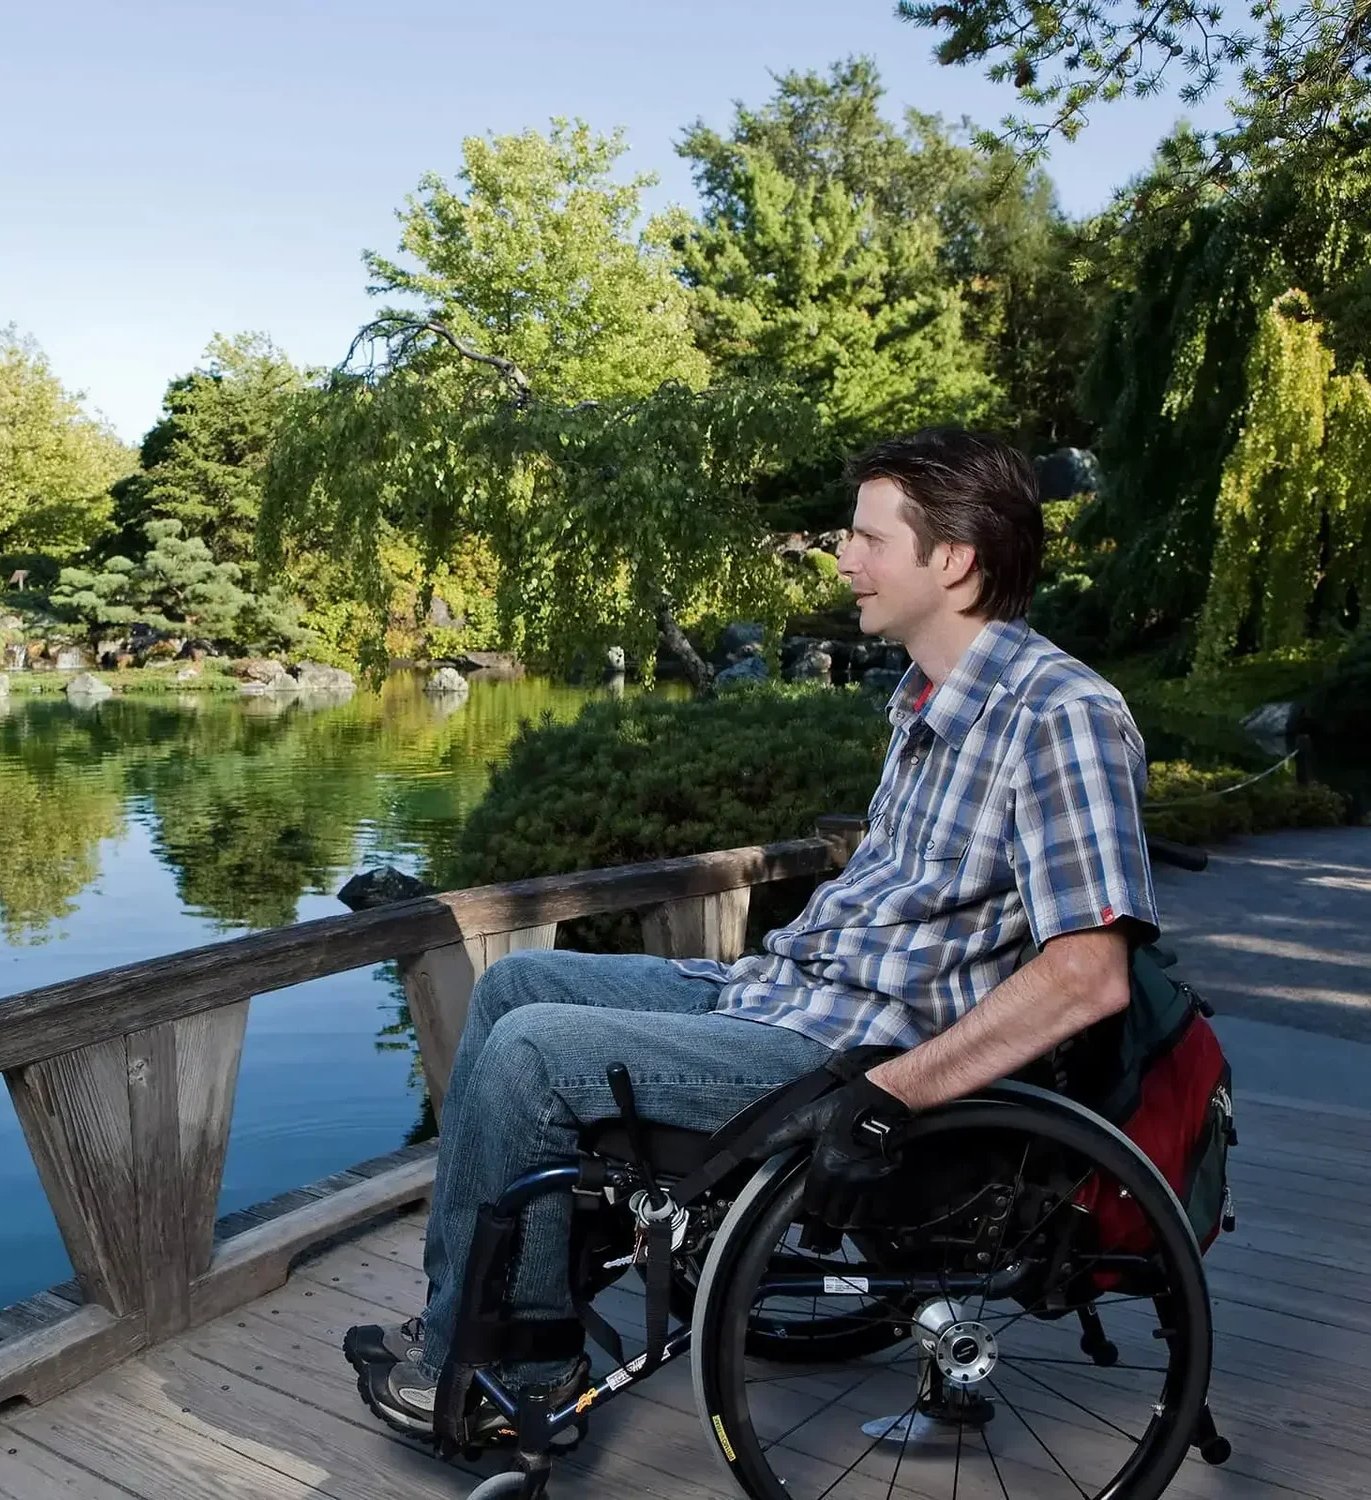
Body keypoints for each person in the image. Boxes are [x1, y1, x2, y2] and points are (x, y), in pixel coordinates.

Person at [344, 427, 1160, 1437]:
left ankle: (523, 1367)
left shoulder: (1059, 714)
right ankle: (467, 1318)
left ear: (950, 560)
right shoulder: (926, 701)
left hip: (847, 1053)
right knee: (514, 988)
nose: (842, 560)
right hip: (787, 995)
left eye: (866, 539)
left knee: (529, 1054)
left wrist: (885, 1098)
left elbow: (1087, 974)